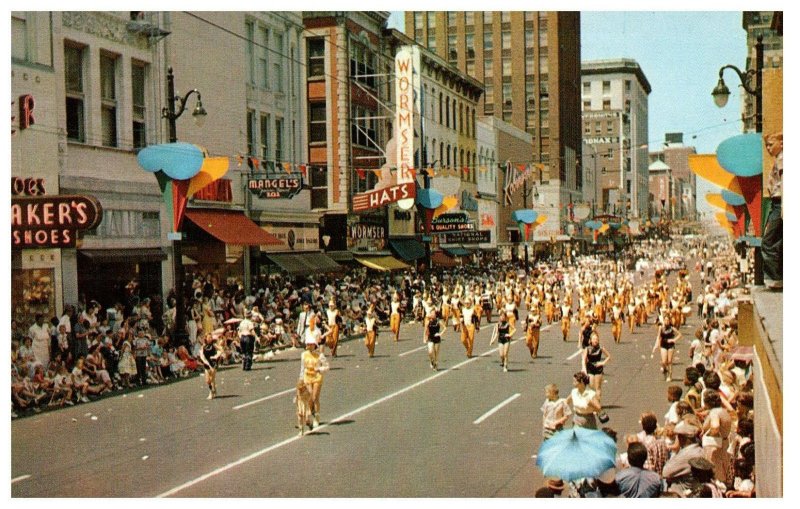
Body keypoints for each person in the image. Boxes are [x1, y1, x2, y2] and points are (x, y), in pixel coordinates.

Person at [662, 420, 706, 495]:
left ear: (681, 438)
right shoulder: (700, 450)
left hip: (682, 493)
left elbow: (665, 472)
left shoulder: (686, 454)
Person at [762, 132, 782, 290]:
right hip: (777, 203)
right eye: (766, 145)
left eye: (770, 144)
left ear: (781, 144)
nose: (768, 148)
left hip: (780, 203)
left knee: (768, 243)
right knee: (777, 242)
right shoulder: (779, 159)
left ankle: (775, 279)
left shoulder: (782, 159)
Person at [299, 335, 329, 428]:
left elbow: (327, 366)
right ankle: (310, 413)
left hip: (317, 377)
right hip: (307, 377)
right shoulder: (304, 355)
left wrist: (319, 369)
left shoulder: (320, 355)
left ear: (314, 345)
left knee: (315, 397)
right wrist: (301, 378)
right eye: (308, 344)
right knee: (309, 397)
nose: (309, 345)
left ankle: (316, 417)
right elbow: (302, 367)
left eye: (311, 344)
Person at [652, 315, 681, 382]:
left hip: (670, 345)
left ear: (670, 321)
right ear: (663, 321)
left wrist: (674, 340)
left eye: (668, 320)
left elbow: (680, 334)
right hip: (663, 345)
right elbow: (659, 337)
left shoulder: (672, 328)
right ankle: (665, 369)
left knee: (670, 361)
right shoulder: (661, 328)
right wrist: (658, 346)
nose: (666, 321)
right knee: (664, 361)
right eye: (665, 320)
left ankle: (670, 376)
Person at [582, 332, 611, 400]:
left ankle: (598, 403)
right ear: (591, 340)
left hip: (598, 369)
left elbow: (609, 356)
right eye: (594, 339)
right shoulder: (587, 349)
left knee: (598, 387)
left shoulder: (601, 348)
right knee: (591, 385)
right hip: (590, 368)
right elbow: (584, 359)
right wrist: (584, 369)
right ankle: (593, 401)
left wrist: (603, 363)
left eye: (597, 339)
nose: (595, 340)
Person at [199, 332, 222, 399]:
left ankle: (211, 392)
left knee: (212, 378)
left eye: (211, 337)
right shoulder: (203, 346)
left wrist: (216, 356)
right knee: (207, 380)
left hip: (213, 363)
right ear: (206, 338)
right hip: (206, 363)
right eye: (209, 337)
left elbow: (221, 350)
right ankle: (213, 389)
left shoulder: (214, 345)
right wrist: (205, 361)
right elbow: (201, 355)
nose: (210, 339)